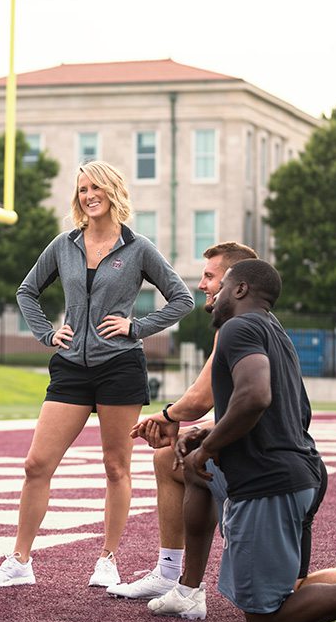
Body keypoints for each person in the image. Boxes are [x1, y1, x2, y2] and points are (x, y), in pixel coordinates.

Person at [147, 259, 336, 622]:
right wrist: (207, 435)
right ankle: (188, 589)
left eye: (220, 287)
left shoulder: (239, 327)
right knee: (194, 473)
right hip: (301, 474)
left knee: (267, 616)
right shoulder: (275, 331)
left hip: (269, 483)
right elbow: (288, 409)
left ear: (240, 290)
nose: (212, 296)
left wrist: (208, 447)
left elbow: (254, 397)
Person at [0, 160, 194, 589]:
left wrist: (137, 326)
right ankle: (20, 561)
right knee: (37, 463)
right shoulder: (64, 244)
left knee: (116, 466)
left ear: (112, 191)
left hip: (120, 367)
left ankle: (107, 559)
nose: (88, 195)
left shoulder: (138, 248)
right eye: (81, 189)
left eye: (95, 187)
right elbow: (26, 291)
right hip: (70, 369)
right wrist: (46, 332)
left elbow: (181, 298)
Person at [108, 241, 257, 600]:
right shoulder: (248, 323)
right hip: (267, 455)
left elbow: (201, 398)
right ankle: (176, 575)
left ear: (236, 285)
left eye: (209, 276)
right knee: (173, 458)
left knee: (283, 600)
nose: (202, 284)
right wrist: (199, 429)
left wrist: (165, 416)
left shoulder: (237, 327)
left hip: (267, 468)